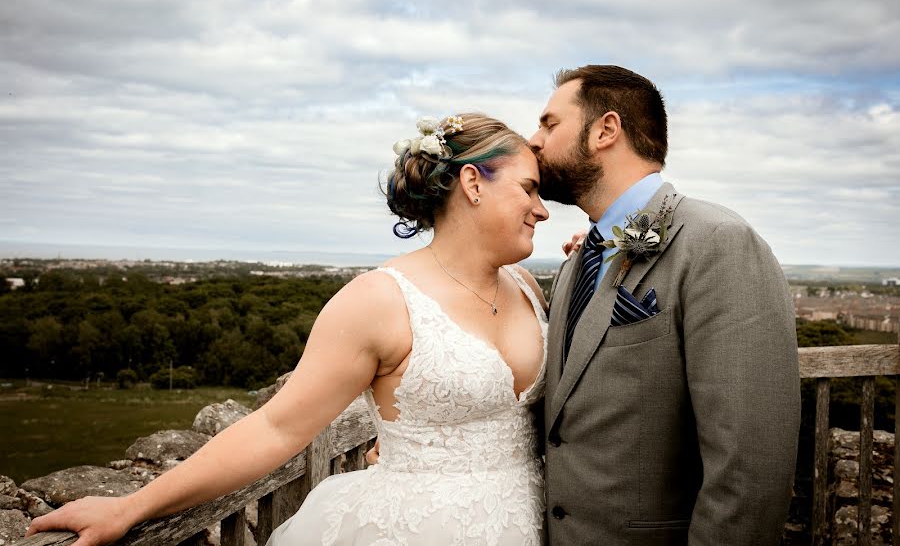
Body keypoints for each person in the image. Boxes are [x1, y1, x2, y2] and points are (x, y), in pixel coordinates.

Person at [25, 113, 551, 546]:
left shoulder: (525, 285)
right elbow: (277, 428)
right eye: (529, 189)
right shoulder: (379, 300)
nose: (542, 210)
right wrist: (132, 506)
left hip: (537, 521)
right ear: (473, 182)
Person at [530, 65, 801, 545]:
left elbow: (751, 462)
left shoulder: (717, 242)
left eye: (550, 124)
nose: (533, 141)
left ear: (605, 130)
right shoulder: (577, 263)